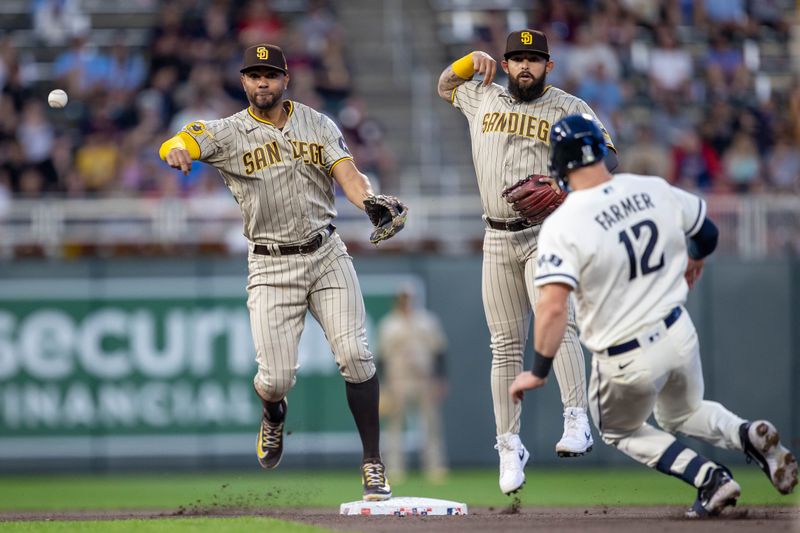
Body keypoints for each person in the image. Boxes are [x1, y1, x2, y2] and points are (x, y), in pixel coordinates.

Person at [509, 114, 798, 517]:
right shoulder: (651, 187)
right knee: (682, 412)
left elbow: (554, 306)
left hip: (624, 355)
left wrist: (538, 370)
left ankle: (709, 478)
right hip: (678, 332)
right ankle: (746, 433)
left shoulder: (563, 224)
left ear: (558, 166)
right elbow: (708, 233)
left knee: (618, 429)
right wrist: (696, 258)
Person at [158, 43, 408, 501]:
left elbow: (348, 172)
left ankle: (373, 462)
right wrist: (175, 150)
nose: (262, 83)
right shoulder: (229, 133)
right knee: (274, 379)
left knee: (355, 354)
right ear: (243, 82)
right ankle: (273, 414)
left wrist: (368, 199)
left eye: (269, 75)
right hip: (271, 265)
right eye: (254, 75)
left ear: (285, 79)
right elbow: (182, 139)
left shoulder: (317, 122)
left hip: (326, 251)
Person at [436, 29, 619, 495]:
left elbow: (607, 158)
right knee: (504, 346)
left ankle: (576, 417)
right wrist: (465, 62)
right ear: (506, 62)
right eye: (516, 59)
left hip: (547, 233)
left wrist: (568, 187)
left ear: (548, 66)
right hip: (495, 237)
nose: (523, 67)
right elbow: (444, 86)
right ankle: (509, 444)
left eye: (533, 60)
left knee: (558, 322)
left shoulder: (568, 107)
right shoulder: (483, 97)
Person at [377, 286, 448, 483]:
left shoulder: (427, 321)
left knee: (431, 425)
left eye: (408, 298)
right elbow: (381, 358)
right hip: (397, 380)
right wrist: (383, 387)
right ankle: (394, 468)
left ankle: (435, 467)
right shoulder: (388, 324)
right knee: (394, 427)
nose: (405, 301)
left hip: (424, 379)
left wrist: (440, 379)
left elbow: (439, 352)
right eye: (402, 298)